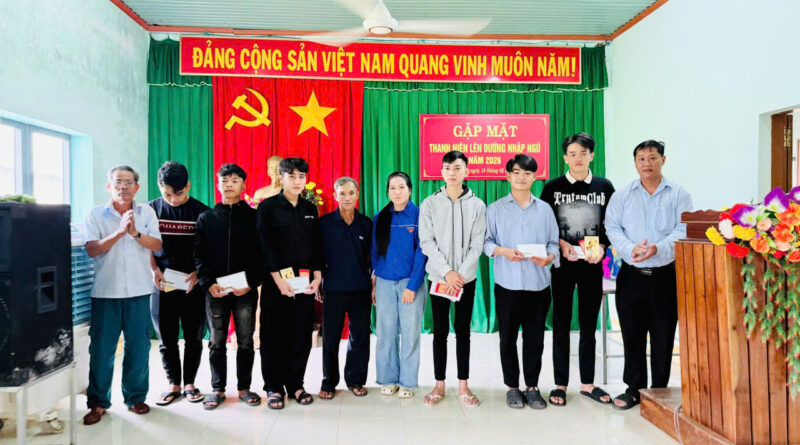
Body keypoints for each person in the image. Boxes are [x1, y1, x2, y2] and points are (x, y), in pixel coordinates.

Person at [605, 140, 692, 410]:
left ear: (663, 160)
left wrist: (659, 248)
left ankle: (658, 392)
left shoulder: (679, 194)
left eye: (653, 158)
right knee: (632, 334)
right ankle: (634, 389)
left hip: (665, 275)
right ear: (635, 163)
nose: (647, 163)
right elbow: (612, 227)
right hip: (632, 275)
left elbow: (683, 229)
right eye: (641, 159)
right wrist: (630, 248)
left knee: (663, 335)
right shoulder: (623, 195)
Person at [540, 133, 616, 407]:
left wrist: (603, 246)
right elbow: (544, 225)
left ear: (591, 155)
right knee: (561, 325)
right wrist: (560, 243)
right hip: (562, 266)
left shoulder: (605, 187)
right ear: (565, 158)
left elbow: (613, 224)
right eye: (572, 154)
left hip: (592, 266)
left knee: (588, 326)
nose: (578, 158)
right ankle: (560, 384)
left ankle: (587, 383)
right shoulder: (552, 188)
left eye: (583, 153)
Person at [83, 165, 162, 425]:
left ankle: (135, 398)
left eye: (129, 182)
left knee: (138, 348)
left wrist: (135, 233)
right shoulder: (95, 214)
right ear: (109, 186)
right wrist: (119, 232)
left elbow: (157, 244)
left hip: (139, 291)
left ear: (136, 188)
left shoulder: (146, 212)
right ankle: (98, 403)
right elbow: (92, 249)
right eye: (118, 181)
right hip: (106, 293)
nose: (123, 186)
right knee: (101, 350)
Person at [483, 154, 560, 410]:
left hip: (539, 285)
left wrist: (549, 258)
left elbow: (553, 244)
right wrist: (503, 252)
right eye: (516, 172)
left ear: (535, 177)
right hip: (507, 285)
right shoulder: (495, 209)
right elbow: (486, 243)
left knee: (535, 339)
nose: (521, 177)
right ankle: (512, 387)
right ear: (508, 176)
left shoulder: (545, 209)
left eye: (527, 173)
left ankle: (532, 387)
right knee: (507, 338)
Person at [418, 150, 486, 407]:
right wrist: (446, 272)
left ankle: (464, 386)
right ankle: (439, 385)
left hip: (465, 280)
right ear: (442, 172)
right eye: (447, 168)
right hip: (438, 278)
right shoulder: (429, 204)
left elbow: (477, 245)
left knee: (463, 331)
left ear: (466, 171)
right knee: (440, 332)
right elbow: (426, 241)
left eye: (457, 168)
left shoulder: (477, 205)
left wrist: (460, 275)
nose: (452, 173)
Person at [194, 163, 263, 410]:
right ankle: (217, 389)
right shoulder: (207, 218)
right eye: (224, 180)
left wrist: (251, 283)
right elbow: (199, 255)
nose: (229, 185)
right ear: (218, 185)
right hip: (216, 291)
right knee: (216, 341)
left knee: (245, 340)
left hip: (245, 291)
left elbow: (262, 254)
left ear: (244, 185)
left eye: (234, 180)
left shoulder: (254, 218)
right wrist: (208, 283)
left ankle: (244, 388)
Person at [257, 157, 323, 409]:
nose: (297, 181)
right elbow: (265, 246)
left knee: (300, 334)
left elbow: (316, 246)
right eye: (292, 176)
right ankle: (273, 387)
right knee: (273, 335)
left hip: (304, 283)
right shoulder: (268, 207)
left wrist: (317, 277)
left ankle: (296, 384)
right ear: (282, 177)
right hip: (276, 284)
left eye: (301, 177)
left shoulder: (310, 208)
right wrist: (278, 280)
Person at [149, 161, 210, 406]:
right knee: (166, 337)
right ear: (159, 186)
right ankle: (173, 382)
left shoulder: (202, 212)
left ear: (188, 186)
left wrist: (198, 273)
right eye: (167, 194)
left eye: (179, 193)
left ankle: (190, 383)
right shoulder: (150, 210)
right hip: (162, 283)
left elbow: (209, 250)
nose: (173, 200)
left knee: (194, 336)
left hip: (192, 284)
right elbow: (144, 247)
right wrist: (153, 270)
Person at [372, 172, 428, 399]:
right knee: (385, 332)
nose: (397, 192)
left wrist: (412, 286)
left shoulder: (419, 216)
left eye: (401, 187)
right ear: (387, 191)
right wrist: (375, 283)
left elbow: (423, 253)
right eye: (392, 187)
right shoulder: (380, 217)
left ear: (410, 190)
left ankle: (408, 382)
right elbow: (375, 252)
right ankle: (388, 379)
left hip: (410, 283)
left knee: (410, 333)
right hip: (384, 283)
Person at [317, 177, 373, 400]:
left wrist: (373, 285)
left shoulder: (366, 224)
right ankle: (328, 382)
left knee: (359, 337)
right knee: (330, 338)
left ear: (357, 195)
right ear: (335, 196)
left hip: (360, 289)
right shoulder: (324, 223)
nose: (347, 198)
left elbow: (372, 259)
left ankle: (355, 379)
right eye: (342, 193)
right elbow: (317, 256)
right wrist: (319, 282)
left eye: (351, 193)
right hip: (333, 289)